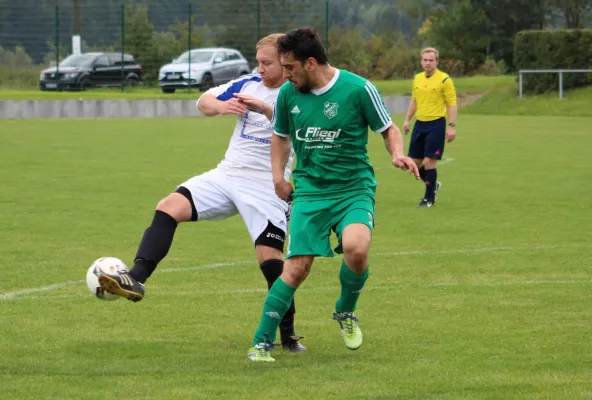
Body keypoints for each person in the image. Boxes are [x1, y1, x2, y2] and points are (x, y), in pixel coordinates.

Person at [98, 33, 306, 352]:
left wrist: (264, 108)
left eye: (266, 62)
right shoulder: (248, 82)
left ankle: (288, 335)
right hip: (228, 173)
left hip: (269, 184)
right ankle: (135, 278)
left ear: (284, 61)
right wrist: (224, 106)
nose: (260, 68)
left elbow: (295, 130)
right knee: (169, 206)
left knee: (270, 259)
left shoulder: (298, 92)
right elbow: (203, 101)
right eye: (258, 61)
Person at [247, 27, 419, 362]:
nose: (285, 75)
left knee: (357, 248)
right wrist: (278, 178)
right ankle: (261, 343)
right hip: (310, 192)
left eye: (291, 68)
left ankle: (345, 311)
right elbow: (280, 137)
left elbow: (388, 129)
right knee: (296, 268)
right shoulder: (287, 96)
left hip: (353, 189)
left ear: (310, 63)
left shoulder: (358, 89)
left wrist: (397, 153)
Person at [402, 47, 457, 208]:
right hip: (420, 123)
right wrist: (407, 119)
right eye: (425, 60)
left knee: (430, 161)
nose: (427, 63)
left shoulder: (445, 80)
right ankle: (433, 184)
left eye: (431, 60)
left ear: (436, 61)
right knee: (413, 163)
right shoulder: (417, 78)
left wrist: (451, 126)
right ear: (421, 61)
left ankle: (428, 199)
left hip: (436, 123)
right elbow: (414, 100)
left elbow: (452, 103)